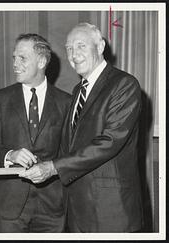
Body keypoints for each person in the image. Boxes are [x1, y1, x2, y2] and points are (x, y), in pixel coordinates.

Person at [20, 23, 143, 232]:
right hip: (77, 210)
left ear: (100, 46)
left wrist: (52, 167)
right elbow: (71, 145)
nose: (73, 54)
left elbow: (108, 142)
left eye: (81, 46)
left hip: (110, 212)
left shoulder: (124, 84)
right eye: (69, 48)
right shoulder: (78, 90)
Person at [0, 33, 72, 232]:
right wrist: (9, 155)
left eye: (22, 58)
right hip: (9, 207)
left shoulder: (66, 102)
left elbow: (70, 153)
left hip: (52, 207)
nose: (15, 64)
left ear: (41, 61)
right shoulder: (0, 99)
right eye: (14, 58)